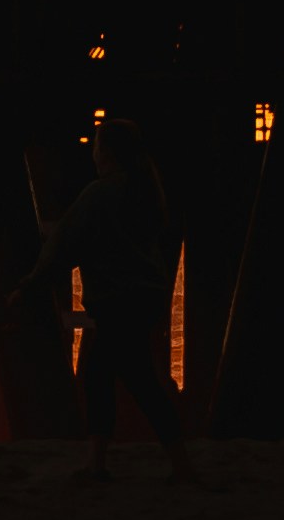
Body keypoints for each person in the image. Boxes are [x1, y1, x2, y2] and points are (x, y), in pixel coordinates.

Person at [12, 112, 188, 477]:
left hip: (118, 301)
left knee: (127, 380)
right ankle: (130, 460)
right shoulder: (145, 190)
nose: (91, 153)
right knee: (113, 374)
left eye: (95, 146)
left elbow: (64, 246)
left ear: (106, 152)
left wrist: (28, 286)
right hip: (146, 296)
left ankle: (152, 462)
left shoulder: (100, 194)